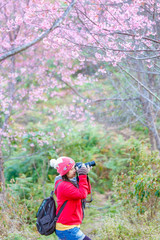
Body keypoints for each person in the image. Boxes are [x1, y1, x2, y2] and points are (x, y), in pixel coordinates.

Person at [50, 156, 92, 240]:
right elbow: (82, 194)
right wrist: (82, 175)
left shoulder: (68, 181)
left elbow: (87, 191)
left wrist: (84, 175)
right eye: (72, 169)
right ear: (65, 171)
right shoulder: (63, 185)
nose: (75, 170)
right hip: (67, 228)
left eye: (74, 168)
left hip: (70, 225)